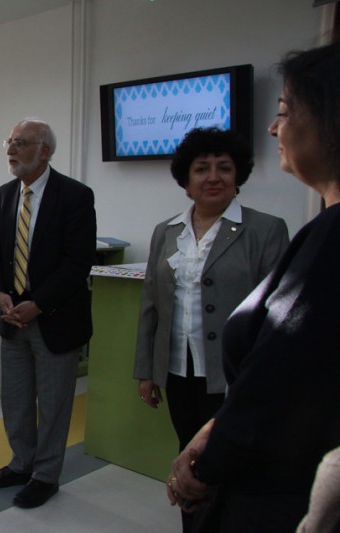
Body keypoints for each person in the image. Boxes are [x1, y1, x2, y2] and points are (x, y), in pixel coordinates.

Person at [167, 41, 340, 532]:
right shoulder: (324, 228)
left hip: (271, 479)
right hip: (196, 389)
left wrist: (210, 460)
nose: (273, 127)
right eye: (201, 168)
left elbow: (281, 379)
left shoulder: (320, 237)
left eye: (284, 112)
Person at [133, 128, 289, 531]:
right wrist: (146, 371)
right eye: (201, 169)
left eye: (224, 167)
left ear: (239, 177)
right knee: (187, 455)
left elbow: (277, 314)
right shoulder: (166, 232)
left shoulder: (266, 230)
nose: (213, 176)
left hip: (234, 377)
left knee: (227, 466)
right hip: (179, 372)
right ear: (186, 181)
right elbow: (151, 303)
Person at [0, 118, 96, 508]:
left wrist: (39, 303)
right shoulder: (4, 194)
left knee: (53, 404)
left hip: (54, 318)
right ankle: (21, 463)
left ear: (45, 150)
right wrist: (0, 294)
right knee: (14, 399)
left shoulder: (75, 196)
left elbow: (77, 262)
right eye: (9, 141)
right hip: (12, 318)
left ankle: (46, 475)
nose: (11, 149)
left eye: (21, 143)